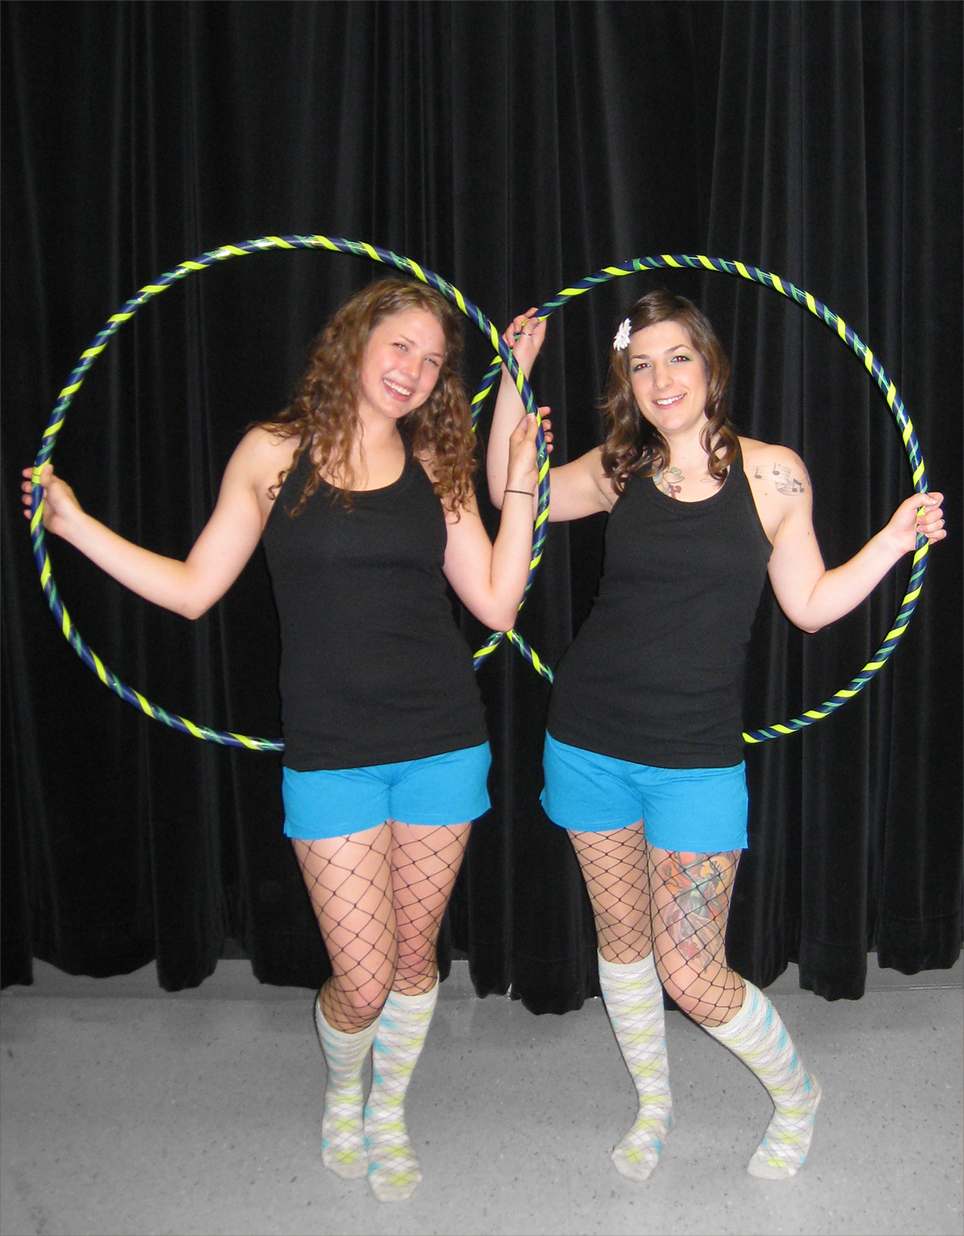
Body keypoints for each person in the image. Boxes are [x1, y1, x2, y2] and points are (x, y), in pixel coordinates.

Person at [23, 277, 542, 1204]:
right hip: (331, 753)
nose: (415, 371)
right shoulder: (273, 452)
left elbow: (499, 604)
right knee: (364, 976)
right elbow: (191, 589)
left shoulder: (437, 465)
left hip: (442, 744)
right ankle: (347, 1086)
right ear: (355, 341)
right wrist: (72, 524)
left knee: (417, 964)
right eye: (400, 347)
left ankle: (388, 1112)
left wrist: (522, 469)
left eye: (432, 361)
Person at [487, 290, 946, 1181]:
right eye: (642, 364)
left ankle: (797, 1095)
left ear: (711, 366)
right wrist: (513, 378)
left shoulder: (774, 474)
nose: (661, 379)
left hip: (693, 762)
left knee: (693, 973)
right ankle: (654, 1106)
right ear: (629, 379)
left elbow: (809, 607)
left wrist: (893, 541)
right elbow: (517, 485)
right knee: (621, 947)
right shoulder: (621, 468)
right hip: (586, 742)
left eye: (678, 358)